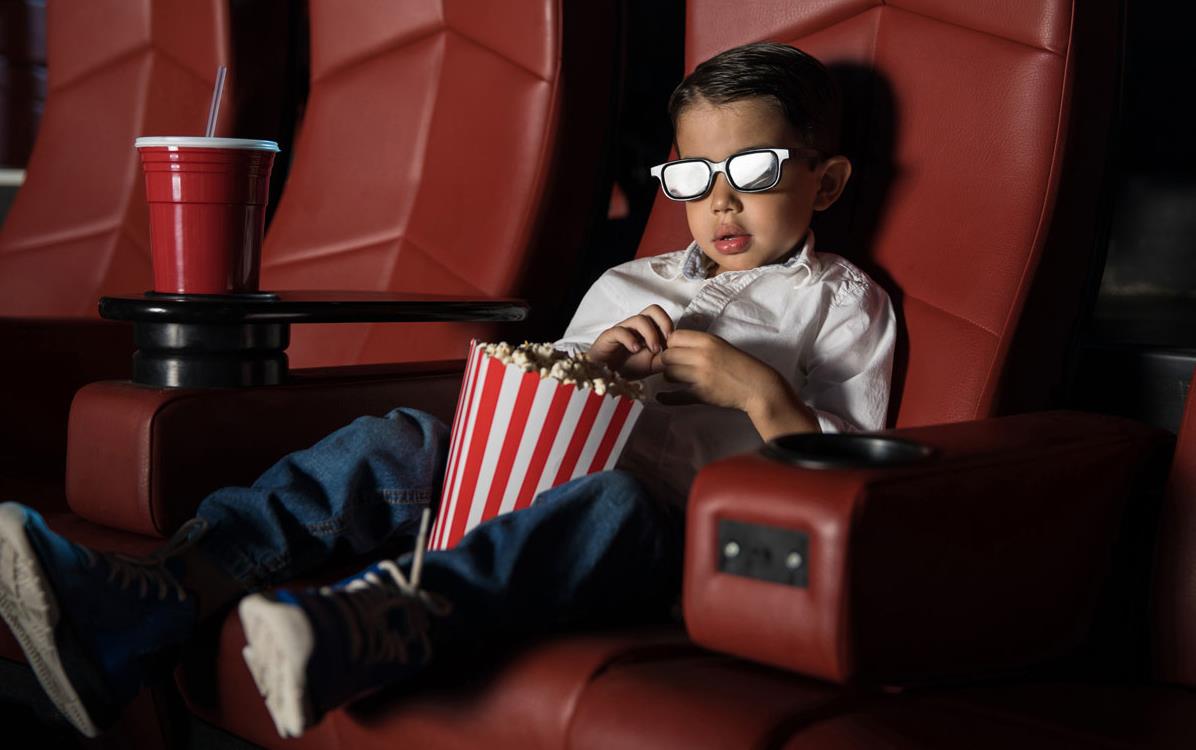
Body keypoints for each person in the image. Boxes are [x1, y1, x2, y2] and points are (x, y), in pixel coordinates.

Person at [0, 42, 894, 739]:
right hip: (523, 478)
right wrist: (593, 366)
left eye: (755, 172)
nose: (722, 204)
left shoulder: (844, 305)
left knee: (617, 499)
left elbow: (847, 482)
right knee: (395, 437)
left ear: (827, 181)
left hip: (666, 534)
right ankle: (151, 594)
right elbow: (542, 400)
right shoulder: (632, 283)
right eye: (696, 178)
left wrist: (757, 391)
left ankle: (379, 622)